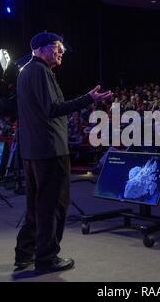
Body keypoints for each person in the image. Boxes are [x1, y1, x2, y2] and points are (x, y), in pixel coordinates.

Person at [14, 32, 112, 274]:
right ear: (43, 49)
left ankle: (24, 255)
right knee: (54, 204)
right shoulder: (39, 71)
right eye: (58, 49)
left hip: (34, 150)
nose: (60, 54)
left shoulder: (26, 71)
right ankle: (47, 258)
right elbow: (53, 109)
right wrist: (87, 99)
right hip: (50, 150)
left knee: (36, 205)